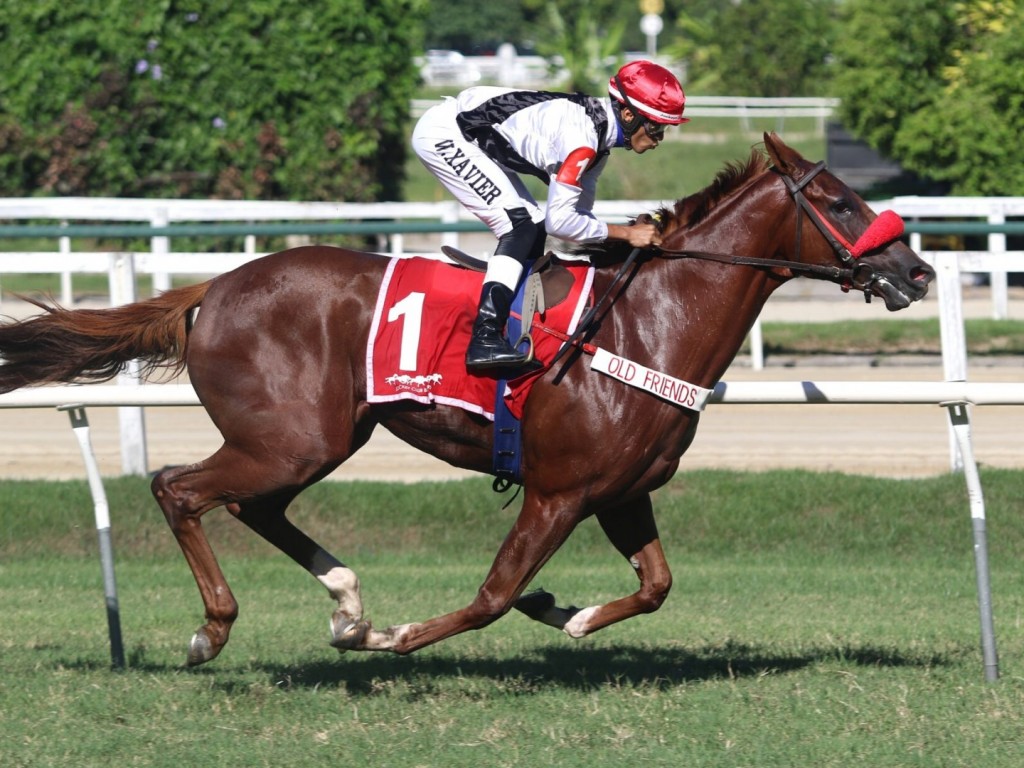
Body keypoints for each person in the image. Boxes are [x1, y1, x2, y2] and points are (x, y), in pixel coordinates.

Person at [412, 59, 689, 373]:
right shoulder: (583, 142)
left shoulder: (598, 146)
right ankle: (484, 339)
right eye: (655, 126)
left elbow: (577, 217)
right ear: (628, 114)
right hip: (445, 134)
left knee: (532, 226)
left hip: (470, 133)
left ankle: (512, 329)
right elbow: (561, 223)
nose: (659, 138)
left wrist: (627, 230)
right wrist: (626, 235)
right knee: (520, 226)